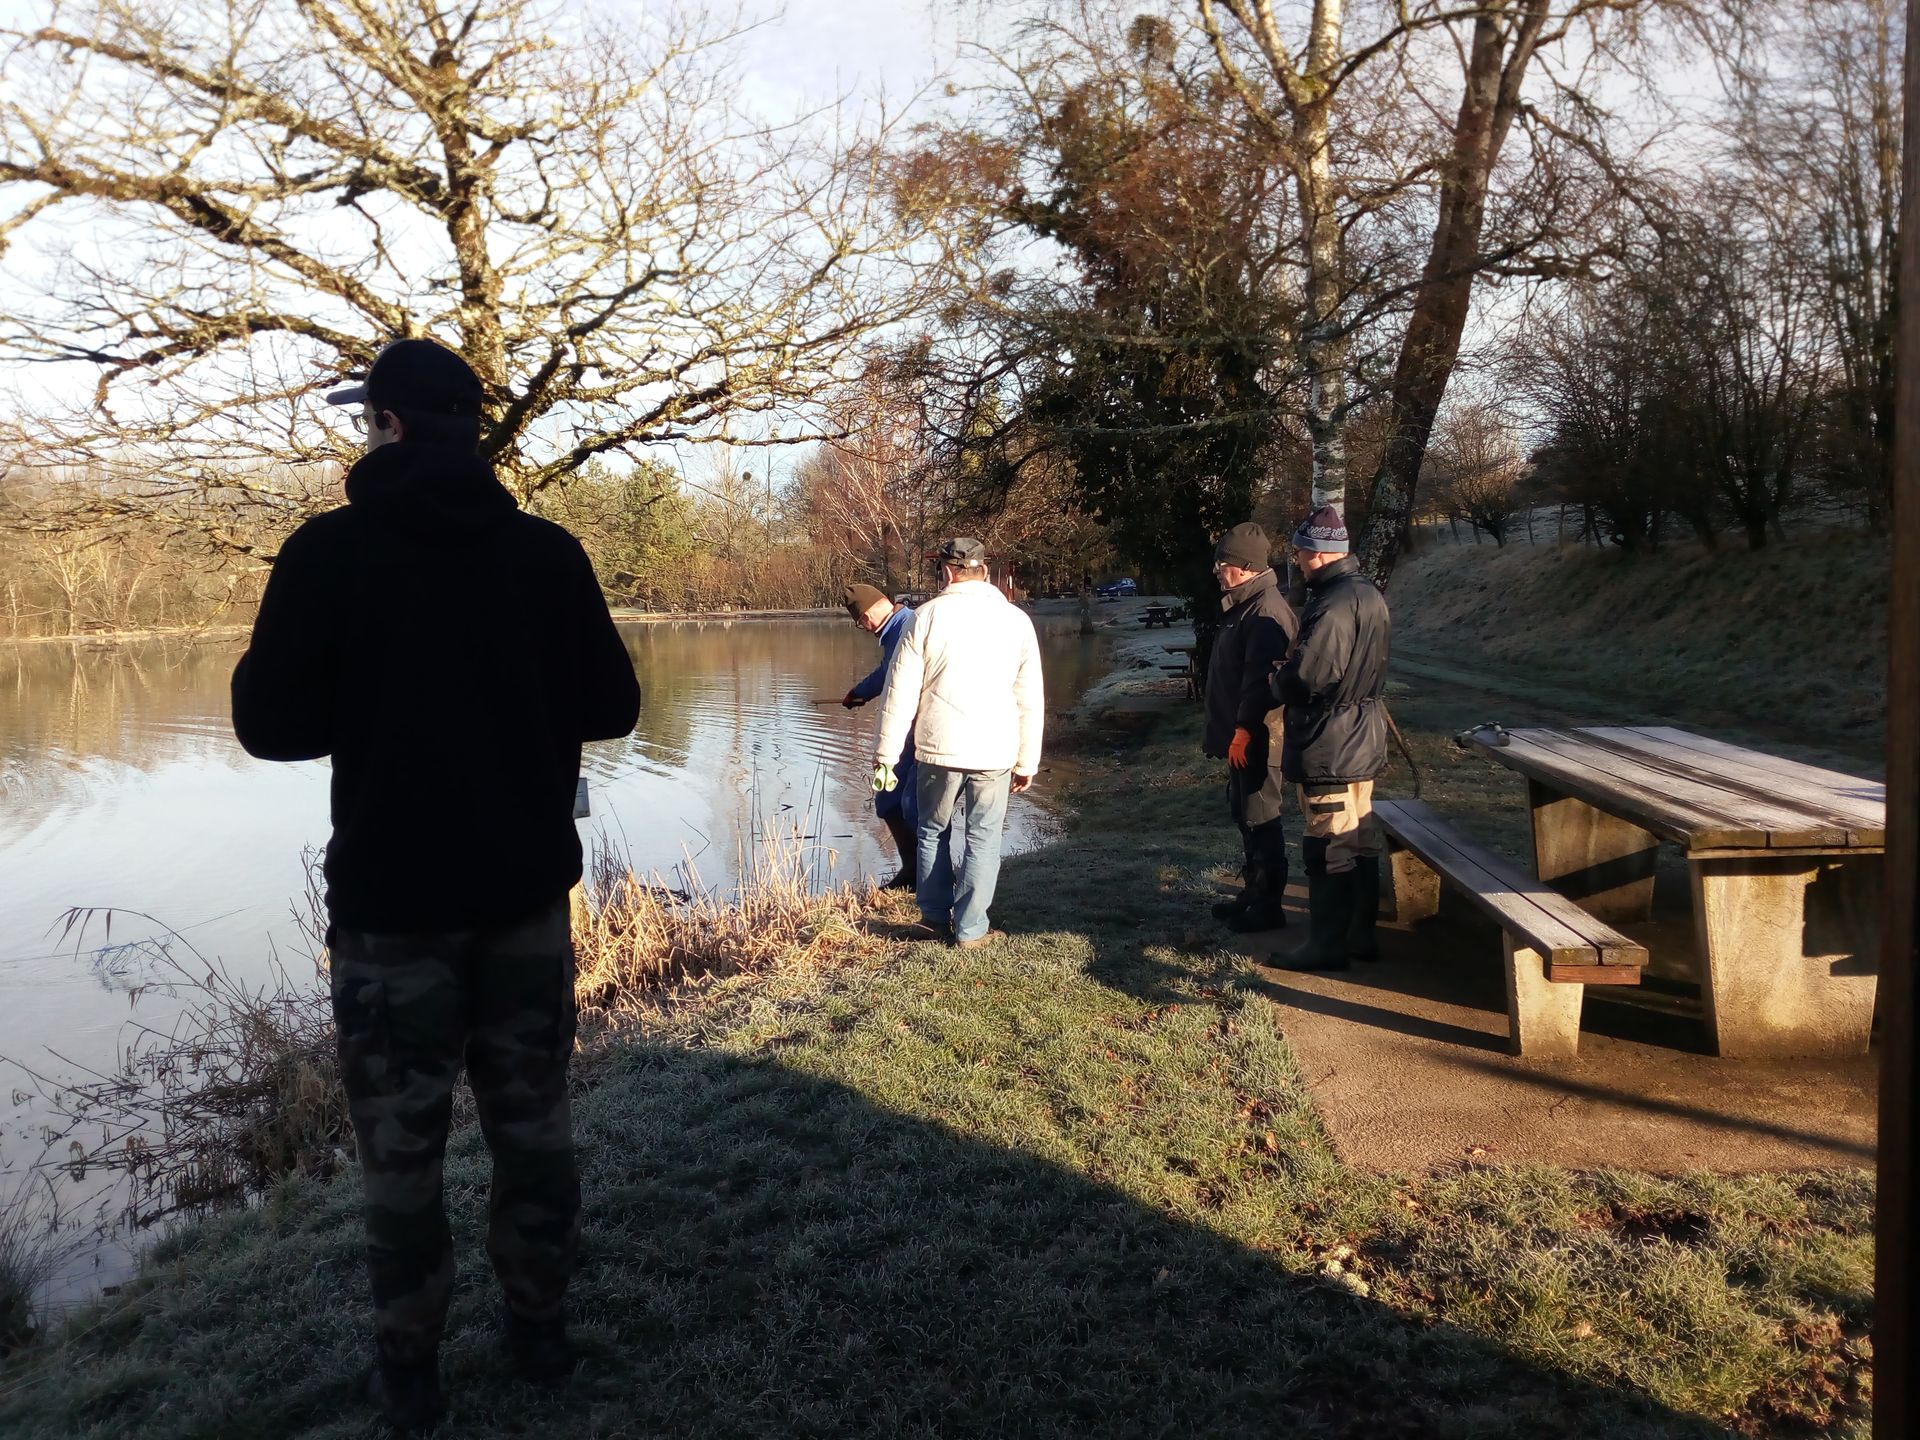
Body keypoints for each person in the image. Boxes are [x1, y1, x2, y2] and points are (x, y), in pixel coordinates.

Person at [230, 337, 641, 1434]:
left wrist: (368, 704)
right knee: (535, 1128)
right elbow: (614, 706)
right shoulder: (546, 554)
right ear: (472, 428)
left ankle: (411, 1374)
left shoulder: (326, 553)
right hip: (522, 903)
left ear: (389, 425)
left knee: (400, 1160)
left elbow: (267, 726)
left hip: (389, 913)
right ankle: (540, 1332)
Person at [872, 537, 1044, 949]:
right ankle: (971, 931)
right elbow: (1029, 696)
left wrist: (885, 755)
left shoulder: (925, 617)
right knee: (984, 837)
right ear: (984, 570)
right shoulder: (1016, 620)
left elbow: (899, 694)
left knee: (932, 831)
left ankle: (933, 919)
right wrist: (1027, 760)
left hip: (938, 749)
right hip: (996, 750)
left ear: (947, 572)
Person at [1268, 505, 1391, 973]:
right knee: (1359, 840)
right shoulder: (1367, 593)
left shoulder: (1334, 602)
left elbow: (1309, 677)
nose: (1296, 560)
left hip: (1330, 743)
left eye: (1299, 552)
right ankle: (1360, 934)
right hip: (1360, 735)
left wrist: (1278, 682)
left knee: (1327, 844)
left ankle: (1326, 945)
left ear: (1317, 553)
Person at [1202, 522, 1298, 932]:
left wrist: (1242, 729)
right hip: (1239, 737)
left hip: (1259, 737)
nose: (1218, 573)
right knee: (1245, 816)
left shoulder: (1264, 612)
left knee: (1263, 817)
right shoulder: (1242, 605)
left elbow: (1261, 682)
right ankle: (1252, 894)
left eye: (1222, 565)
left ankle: (1268, 906)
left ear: (1243, 567)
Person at [840, 581, 918, 888]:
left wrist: (860, 692)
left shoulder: (903, 630)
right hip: (912, 724)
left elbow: (892, 675)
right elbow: (888, 672)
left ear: (870, 612)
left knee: (893, 800)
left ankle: (918, 873)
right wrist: (859, 693)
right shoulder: (902, 625)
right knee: (896, 800)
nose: (864, 628)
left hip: (912, 727)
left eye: (860, 622)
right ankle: (916, 871)